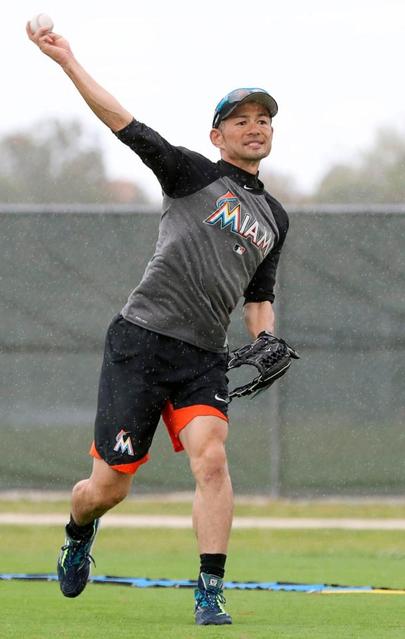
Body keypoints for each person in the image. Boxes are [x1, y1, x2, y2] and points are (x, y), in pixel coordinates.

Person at [27, 23, 289, 626]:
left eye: (265, 119)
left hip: (203, 357)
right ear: (217, 134)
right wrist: (68, 60)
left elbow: (258, 295)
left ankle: (209, 590)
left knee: (213, 461)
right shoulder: (192, 173)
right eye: (242, 119)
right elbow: (124, 122)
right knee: (108, 489)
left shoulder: (274, 216)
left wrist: (266, 335)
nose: (256, 127)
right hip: (140, 342)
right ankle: (77, 531)